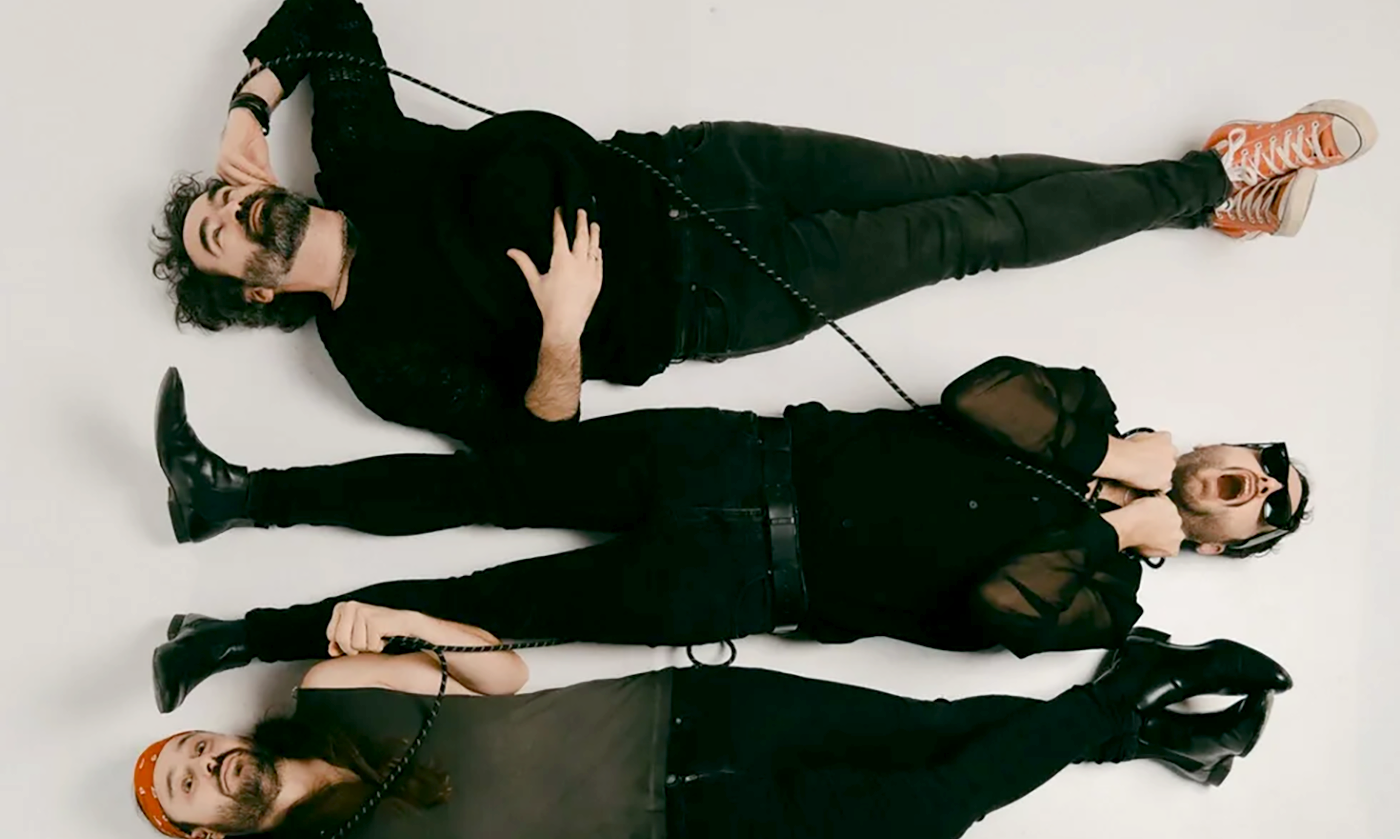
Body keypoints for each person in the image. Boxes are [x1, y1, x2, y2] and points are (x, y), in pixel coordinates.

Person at [150, 0, 1377, 443]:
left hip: (696, 168)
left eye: (226, 195)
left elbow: (328, 11)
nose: (238, 208)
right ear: (249, 289)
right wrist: (562, 330)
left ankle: (1209, 201)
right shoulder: (375, 359)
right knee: (971, 233)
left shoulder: (355, 154)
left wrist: (250, 106)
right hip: (716, 298)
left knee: (968, 175)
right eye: (219, 233)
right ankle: (1219, 175)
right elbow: (531, 442)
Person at [152, 355, 1309, 712]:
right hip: (736, 456)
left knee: (480, 609)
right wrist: (1108, 456)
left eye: (1264, 504)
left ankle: (233, 640)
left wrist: (1116, 535)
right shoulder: (1084, 414)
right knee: (484, 483)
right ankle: (235, 495)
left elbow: (999, 603)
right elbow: (977, 398)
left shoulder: (1103, 604)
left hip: (739, 581)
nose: (1250, 479)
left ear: (1219, 544)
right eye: (1260, 461)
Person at [135, 603, 1292, 839]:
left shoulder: (328, 693)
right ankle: (1136, 698)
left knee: (939, 732)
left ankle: (1159, 727)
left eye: (192, 748)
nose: (205, 762)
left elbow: (504, 677)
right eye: (186, 786)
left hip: (692, 719)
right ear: (207, 828)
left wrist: (409, 626)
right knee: (940, 805)